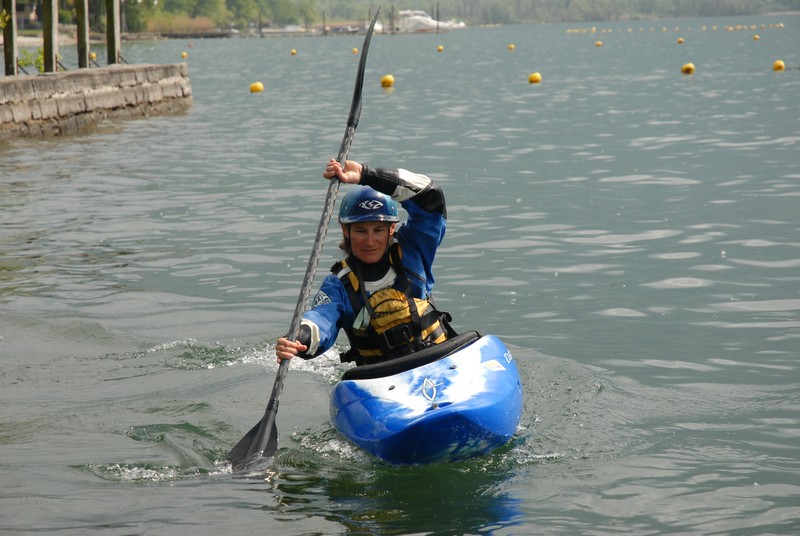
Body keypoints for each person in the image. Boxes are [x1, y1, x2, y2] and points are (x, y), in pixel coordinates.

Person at [275, 158, 455, 366]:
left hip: (440, 360)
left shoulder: (413, 247)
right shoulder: (338, 285)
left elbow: (430, 195)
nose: (370, 241)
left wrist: (366, 175)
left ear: (391, 229)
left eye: (378, 230)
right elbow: (320, 320)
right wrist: (298, 338)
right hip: (382, 378)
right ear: (346, 230)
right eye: (361, 231)